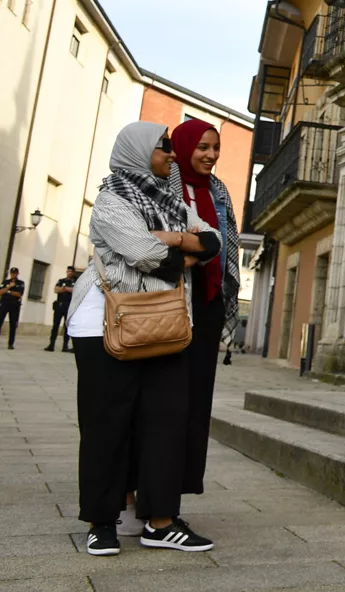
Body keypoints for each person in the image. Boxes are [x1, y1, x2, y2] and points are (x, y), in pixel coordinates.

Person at [68, 122, 219, 555]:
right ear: (138, 151)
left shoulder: (170, 200)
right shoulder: (111, 201)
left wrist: (173, 238)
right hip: (105, 326)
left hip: (166, 323)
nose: (172, 155)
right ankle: (101, 523)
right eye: (163, 147)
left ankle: (160, 522)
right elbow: (142, 253)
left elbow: (212, 240)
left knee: (167, 423)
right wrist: (178, 246)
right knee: (106, 425)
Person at [168, 118, 242, 498]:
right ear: (183, 146)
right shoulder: (164, 183)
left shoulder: (219, 190)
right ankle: (141, 487)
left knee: (197, 400)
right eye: (202, 148)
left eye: (215, 148)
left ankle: (176, 491)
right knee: (164, 397)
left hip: (209, 301)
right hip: (168, 301)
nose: (211, 155)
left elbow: (227, 242)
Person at [46, 266, 78, 352]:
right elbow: (56, 290)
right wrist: (66, 289)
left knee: (67, 327)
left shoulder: (76, 281)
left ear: (74, 273)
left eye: (71, 271)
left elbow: (75, 290)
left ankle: (65, 346)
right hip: (59, 306)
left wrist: (64, 289)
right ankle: (51, 344)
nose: (69, 272)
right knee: (55, 326)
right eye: (68, 271)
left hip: (69, 306)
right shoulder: (61, 280)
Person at [1, 268, 23, 349]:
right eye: (12, 273)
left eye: (15, 273)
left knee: (13, 325)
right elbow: (1, 292)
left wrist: (8, 291)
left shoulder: (20, 283)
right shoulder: (5, 282)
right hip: (4, 304)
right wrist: (9, 287)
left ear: (17, 273)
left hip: (14, 306)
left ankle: (10, 344)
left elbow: (19, 294)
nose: (13, 274)